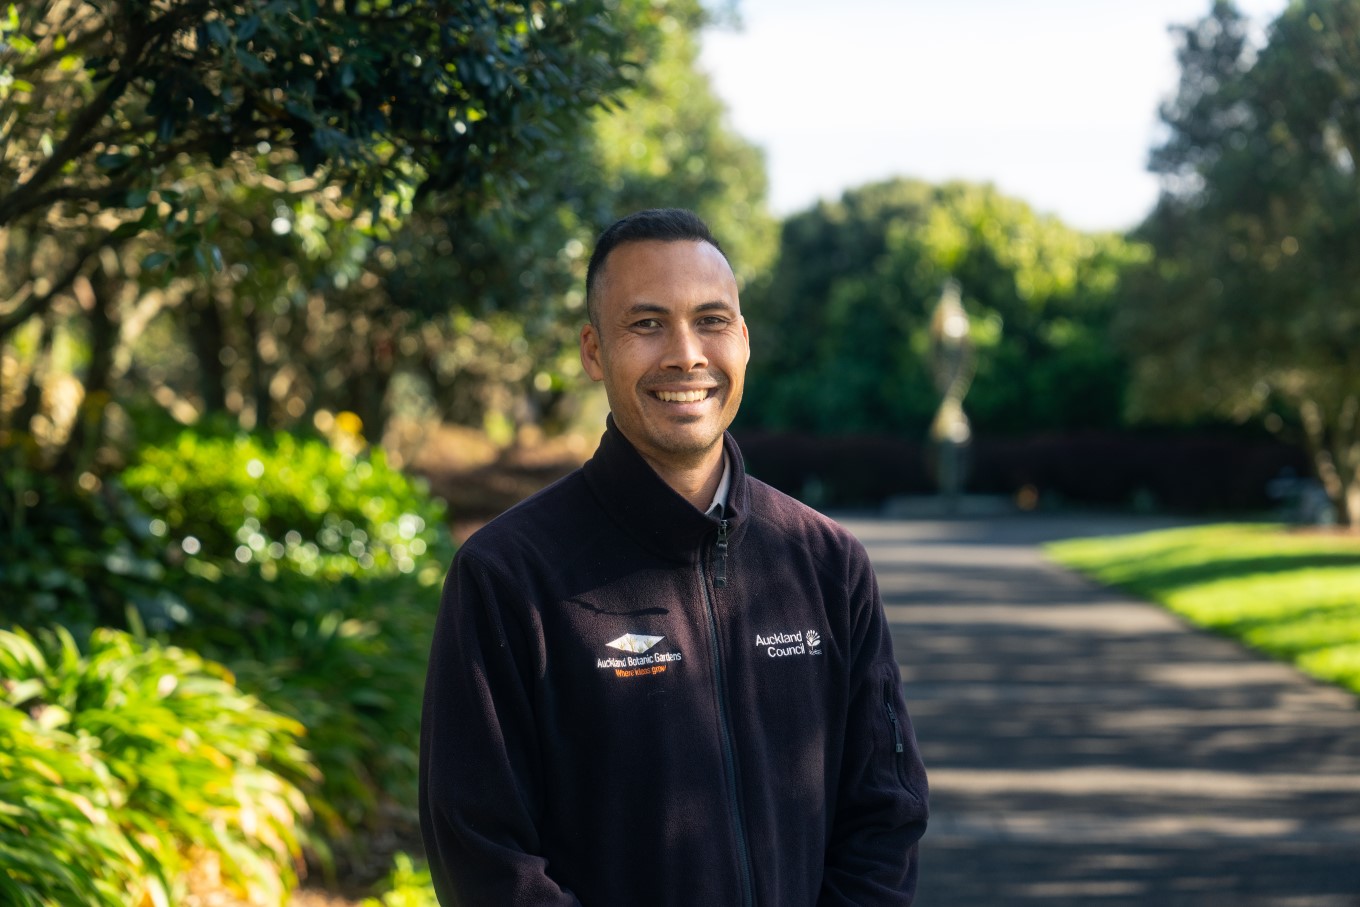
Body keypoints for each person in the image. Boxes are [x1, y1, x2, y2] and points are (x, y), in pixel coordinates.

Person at [419, 208, 928, 906]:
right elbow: (484, 857)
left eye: (711, 320)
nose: (686, 353)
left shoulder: (828, 564)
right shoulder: (507, 576)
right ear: (594, 351)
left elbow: (884, 814)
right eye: (647, 323)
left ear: (743, 341)